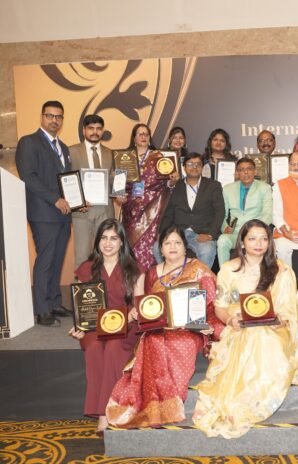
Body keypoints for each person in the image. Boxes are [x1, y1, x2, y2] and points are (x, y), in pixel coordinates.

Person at [193, 220, 298, 438]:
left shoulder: (281, 270)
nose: (259, 244)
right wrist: (230, 321)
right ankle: (243, 399)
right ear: (242, 242)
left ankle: (255, 401)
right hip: (239, 327)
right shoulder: (228, 269)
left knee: (263, 336)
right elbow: (220, 308)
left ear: (269, 242)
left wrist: (276, 321)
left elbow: (288, 311)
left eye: (264, 239)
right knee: (251, 335)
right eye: (252, 239)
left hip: (275, 329)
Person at [106, 226, 224, 428]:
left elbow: (213, 303)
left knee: (182, 343)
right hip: (158, 329)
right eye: (167, 243)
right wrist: (139, 314)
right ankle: (153, 406)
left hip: (190, 329)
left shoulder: (198, 269)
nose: (173, 247)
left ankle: (168, 406)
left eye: (177, 242)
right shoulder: (150, 275)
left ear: (185, 247)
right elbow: (144, 307)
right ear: (160, 249)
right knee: (152, 341)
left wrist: (208, 325)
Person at [68, 219, 143, 435]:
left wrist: (131, 315)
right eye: (103, 238)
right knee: (93, 348)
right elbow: (81, 305)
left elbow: (138, 305)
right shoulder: (86, 268)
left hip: (126, 325)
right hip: (95, 327)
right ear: (97, 241)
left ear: (122, 243)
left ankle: (106, 413)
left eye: (113, 238)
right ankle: (104, 412)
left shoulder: (135, 269)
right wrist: (79, 325)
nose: (108, 243)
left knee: (113, 348)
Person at [15, 100, 72, 327]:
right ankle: (42, 309)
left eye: (58, 117)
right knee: (45, 261)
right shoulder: (28, 142)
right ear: (42, 117)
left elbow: (67, 180)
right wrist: (55, 199)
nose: (54, 120)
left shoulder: (64, 147)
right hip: (43, 213)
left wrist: (77, 201)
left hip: (63, 213)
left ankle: (55, 302)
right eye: (50, 116)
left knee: (57, 260)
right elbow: (28, 177)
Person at [121, 123, 179, 269]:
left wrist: (172, 182)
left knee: (149, 245)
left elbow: (167, 183)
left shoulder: (158, 156)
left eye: (146, 134)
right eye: (140, 134)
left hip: (153, 209)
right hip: (131, 209)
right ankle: (132, 279)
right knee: (132, 244)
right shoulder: (125, 157)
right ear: (134, 138)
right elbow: (118, 181)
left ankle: (150, 280)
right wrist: (118, 195)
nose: (143, 137)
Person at [158, 152, 225, 269]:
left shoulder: (213, 186)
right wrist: (162, 234)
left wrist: (210, 235)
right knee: (156, 247)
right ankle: (169, 277)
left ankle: (201, 279)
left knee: (207, 249)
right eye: (190, 164)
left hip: (202, 233)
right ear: (184, 167)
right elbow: (168, 213)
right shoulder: (176, 186)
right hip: (178, 233)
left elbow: (220, 212)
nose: (194, 167)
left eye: (198, 164)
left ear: (202, 167)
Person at [69, 114, 118, 267]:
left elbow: (113, 180)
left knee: (106, 253)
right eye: (91, 128)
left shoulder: (111, 153)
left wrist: (119, 193)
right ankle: (82, 282)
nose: (95, 132)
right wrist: (77, 202)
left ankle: (103, 282)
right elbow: (68, 180)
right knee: (82, 254)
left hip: (105, 210)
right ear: (84, 130)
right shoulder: (71, 151)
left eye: (98, 128)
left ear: (102, 131)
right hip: (82, 210)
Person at [217, 157, 273, 262]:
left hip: (256, 234)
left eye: (249, 169)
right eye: (241, 169)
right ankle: (224, 272)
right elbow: (221, 214)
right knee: (222, 240)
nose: (246, 172)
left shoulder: (265, 188)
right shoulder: (227, 189)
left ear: (255, 171)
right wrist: (225, 227)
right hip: (235, 234)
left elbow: (268, 214)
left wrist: (254, 230)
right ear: (237, 173)